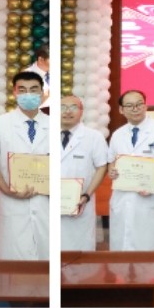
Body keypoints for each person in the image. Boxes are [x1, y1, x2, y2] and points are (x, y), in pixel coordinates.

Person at [0, 71, 50, 259]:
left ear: (42, 93)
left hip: (47, 202)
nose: (28, 94)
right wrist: (6, 190)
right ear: (14, 92)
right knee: (12, 259)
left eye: (33, 90)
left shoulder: (55, 125)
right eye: (22, 90)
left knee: (47, 258)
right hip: (11, 203)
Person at [106, 88, 154, 250]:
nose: (135, 109)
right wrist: (112, 170)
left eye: (139, 104)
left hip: (151, 199)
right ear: (121, 110)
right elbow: (111, 161)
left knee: (150, 252)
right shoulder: (117, 134)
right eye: (130, 105)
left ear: (146, 106)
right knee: (122, 254)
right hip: (123, 199)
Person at [59, 95, 110, 252]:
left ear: (81, 112)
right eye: (62, 107)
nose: (68, 111)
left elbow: (102, 167)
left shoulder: (94, 137)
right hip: (49, 202)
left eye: (73, 107)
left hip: (81, 202)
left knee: (79, 253)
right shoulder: (45, 134)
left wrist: (87, 195)